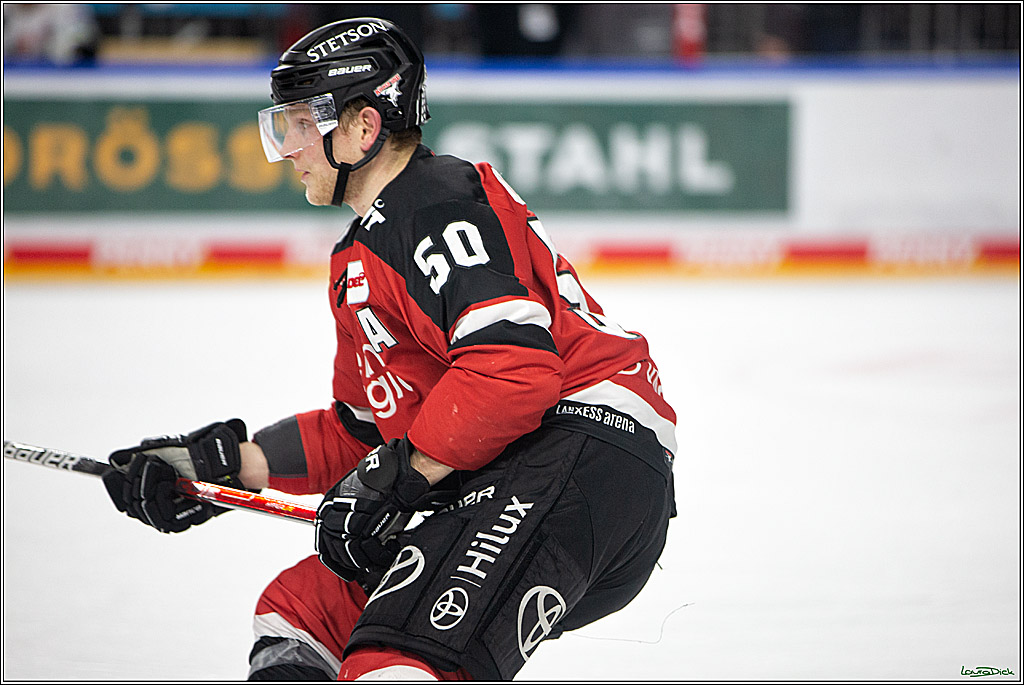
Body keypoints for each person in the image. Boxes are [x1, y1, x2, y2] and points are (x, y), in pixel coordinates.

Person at [101, 17, 677, 681]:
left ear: (362, 128)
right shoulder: (359, 257)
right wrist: (220, 467)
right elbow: (364, 434)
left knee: (397, 661)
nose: (287, 148)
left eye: (296, 123)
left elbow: (514, 371)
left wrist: (402, 473)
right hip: (517, 466)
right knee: (302, 612)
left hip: (581, 451)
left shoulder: (434, 205)